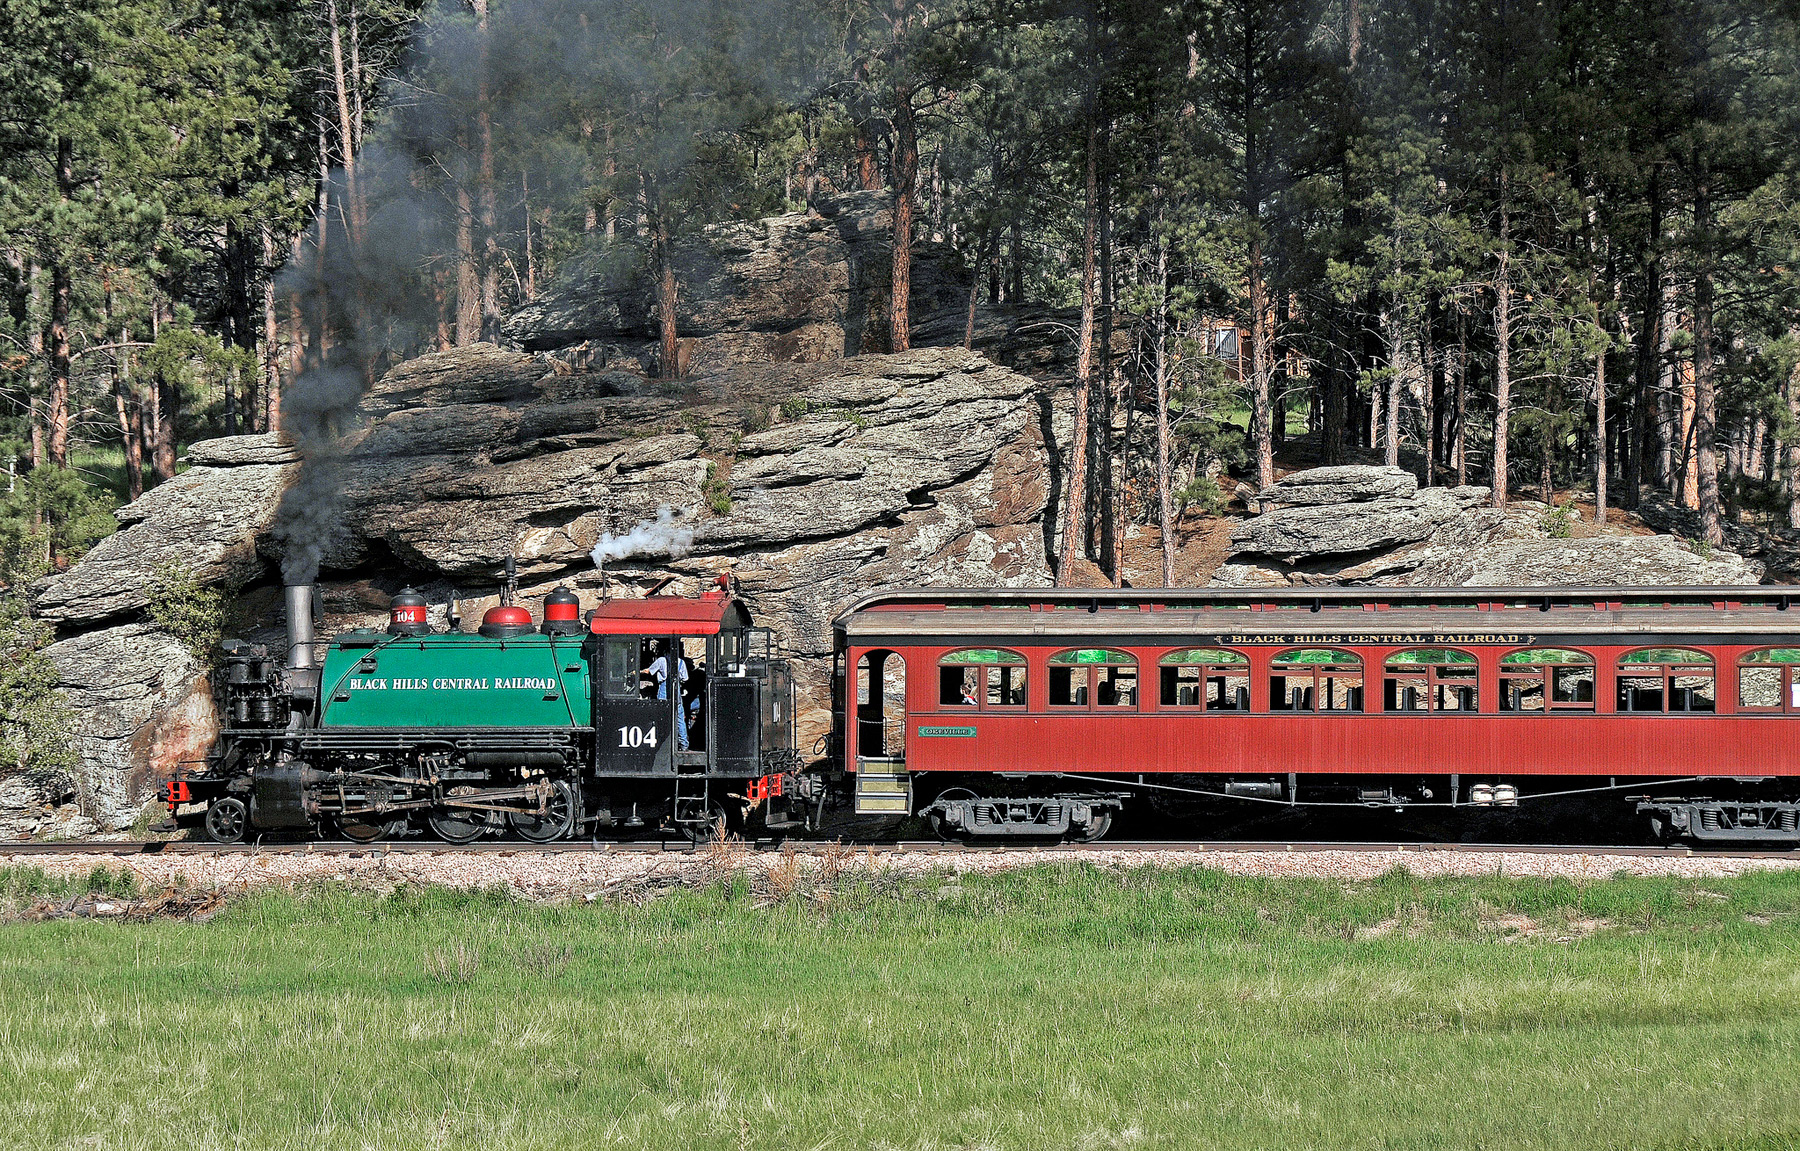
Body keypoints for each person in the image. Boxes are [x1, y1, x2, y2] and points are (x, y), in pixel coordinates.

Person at [642, 641, 690, 750]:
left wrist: (636, 672)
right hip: (676, 691)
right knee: (679, 719)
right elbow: (685, 678)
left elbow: (648, 671)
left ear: (665, 651)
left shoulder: (661, 660)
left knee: (662, 717)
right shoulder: (681, 662)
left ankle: (663, 743)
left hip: (664, 691)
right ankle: (684, 744)